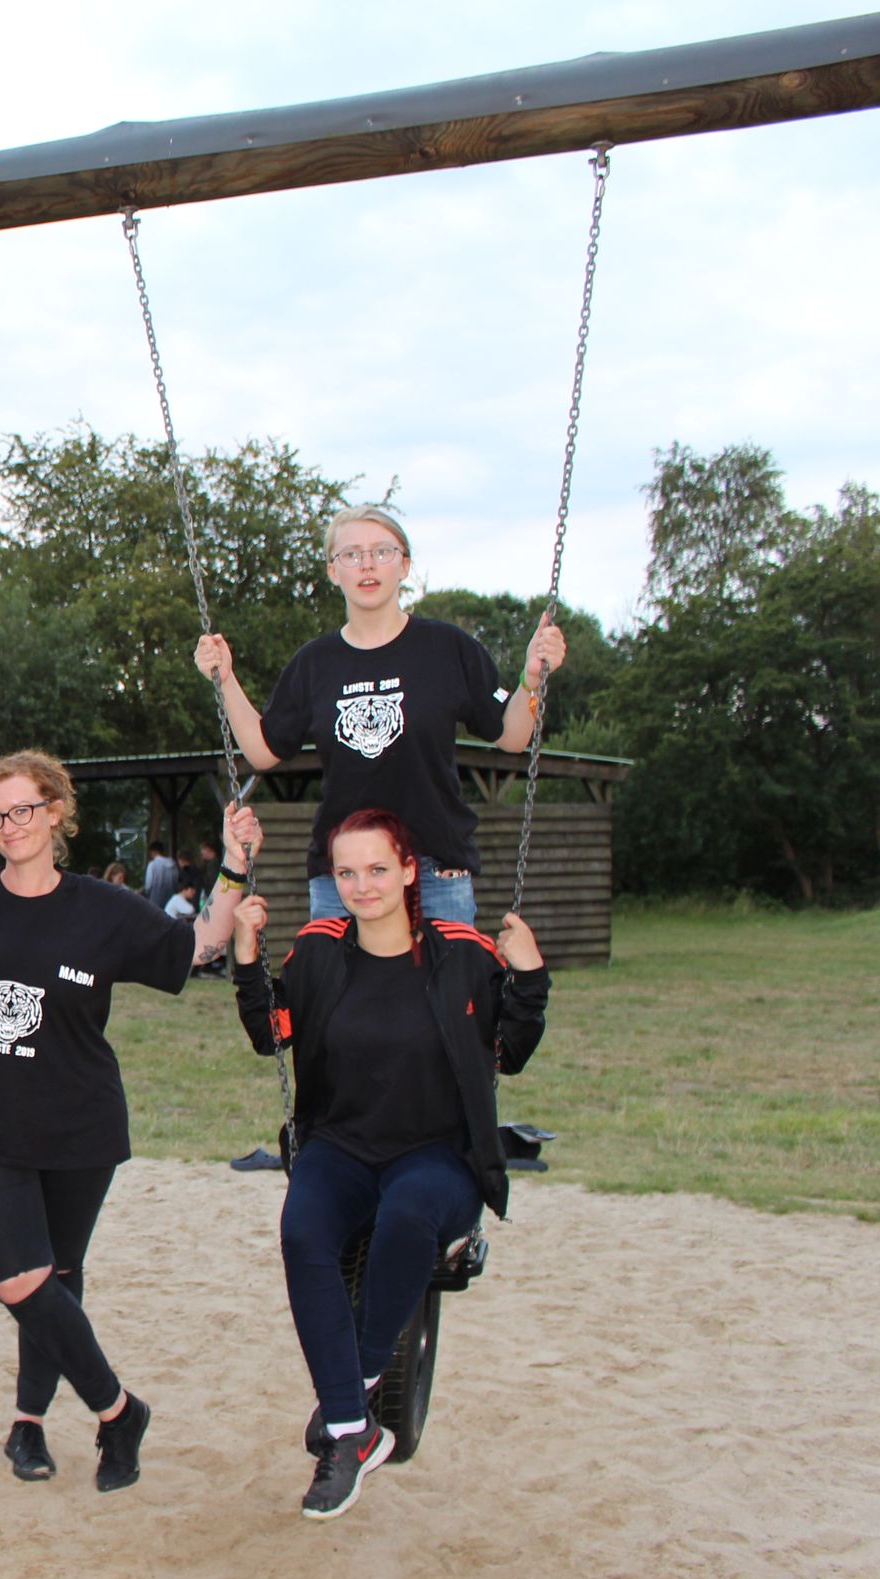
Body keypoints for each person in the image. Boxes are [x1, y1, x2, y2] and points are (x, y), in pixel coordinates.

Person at [0, 740, 260, 1492]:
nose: (10, 825)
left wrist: (235, 866)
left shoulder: (103, 909)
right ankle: (119, 1410)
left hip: (78, 1128)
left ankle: (29, 1421)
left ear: (55, 812)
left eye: (23, 809)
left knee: (56, 1277)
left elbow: (200, 947)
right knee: (18, 1279)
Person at [229, 806, 548, 1522]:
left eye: (377, 869)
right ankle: (352, 1430)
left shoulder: (462, 953)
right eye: (346, 872)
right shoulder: (317, 951)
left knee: (408, 1213)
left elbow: (510, 1052)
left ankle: (358, 1376)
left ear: (409, 871)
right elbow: (271, 1033)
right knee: (303, 1232)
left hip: (438, 1153)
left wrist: (530, 979)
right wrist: (247, 959)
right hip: (341, 1146)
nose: (362, 886)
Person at [194, 504, 567, 922]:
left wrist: (531, 680)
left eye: (382, 552)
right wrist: (225, 678)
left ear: (404, 565)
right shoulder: (314, 663)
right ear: (333, 571)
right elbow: (263, 751)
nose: (367, 564)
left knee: (447, 969)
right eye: (351, 554)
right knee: (334, 969)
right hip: (343, 876)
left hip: (435, 870)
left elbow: (512, 737)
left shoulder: (448, 648)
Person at [140, 841, 181, 907]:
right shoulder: (173, 865)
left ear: (153, 852)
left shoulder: (152, 865)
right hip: (171, 901)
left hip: (156, 902)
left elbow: (148, 886)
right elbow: (176, 882)